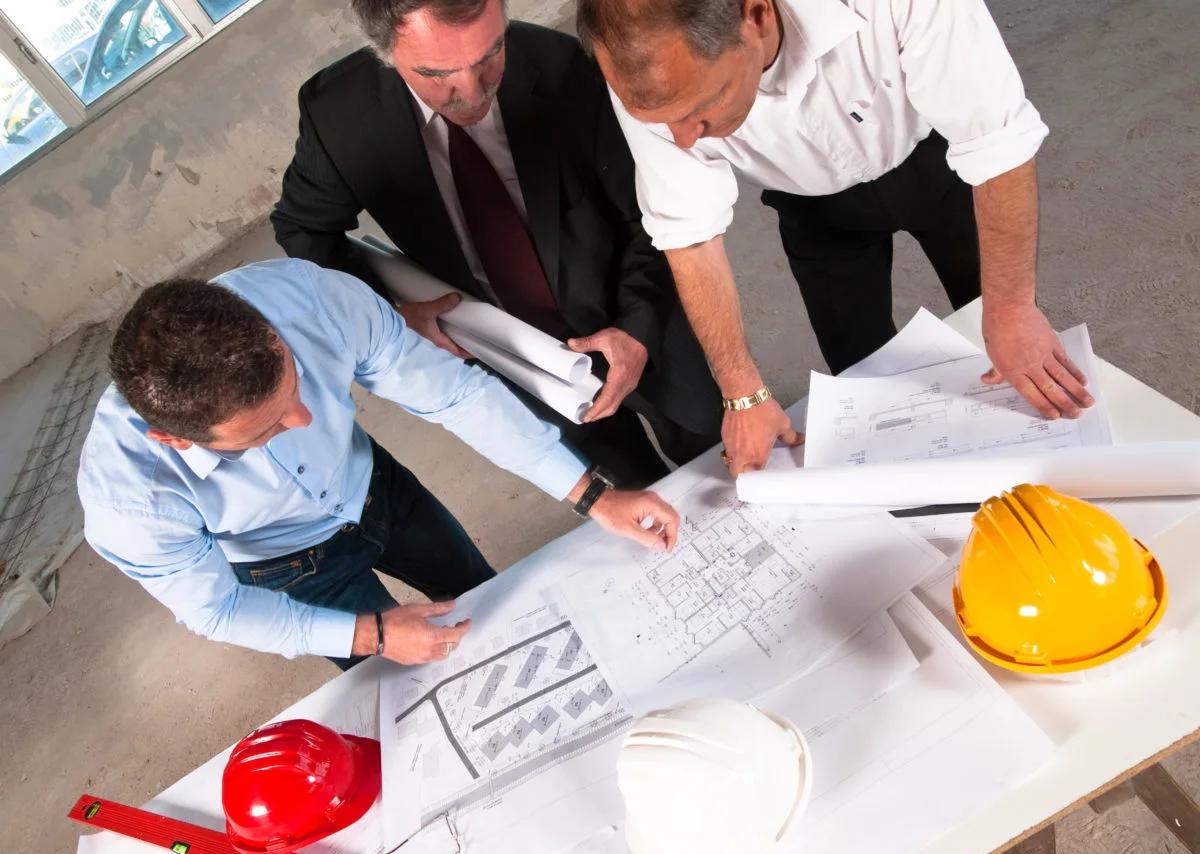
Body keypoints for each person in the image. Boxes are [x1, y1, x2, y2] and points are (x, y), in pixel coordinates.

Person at [576, 0, 1097, 475]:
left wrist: (1009, 309)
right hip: (815, 212)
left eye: (701, 108)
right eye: (662, 122)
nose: (684, 139)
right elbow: (689, 236)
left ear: (755, 16)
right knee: (863, 377)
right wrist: (741, 393)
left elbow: (996, 142)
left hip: (939, 164)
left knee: (1010, 337)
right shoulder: (648, 73)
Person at [77, 259, 679, 668]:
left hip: (377, 489)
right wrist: (376, 634)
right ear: (176, 439)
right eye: (265, 430)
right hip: (286, 569)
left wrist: (593, 496)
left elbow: (455, 394)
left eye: (297, 389)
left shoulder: (312, 300)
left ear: (271, 335)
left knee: (486, 599)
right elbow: (219, 609)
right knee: (410, 677)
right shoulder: (129, 501)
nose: (305, 422)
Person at [269, 0, 723, 489]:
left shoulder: (566, 66)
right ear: (384, 53)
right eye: (436, 72)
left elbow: (652, 213)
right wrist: (390, 312)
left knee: (717, 457)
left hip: (639, 314)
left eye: (490, 54)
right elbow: (304, 227)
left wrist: (637, 327)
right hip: (521, 356)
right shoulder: (336, 113)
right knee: (633, 489)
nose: (472, 91)